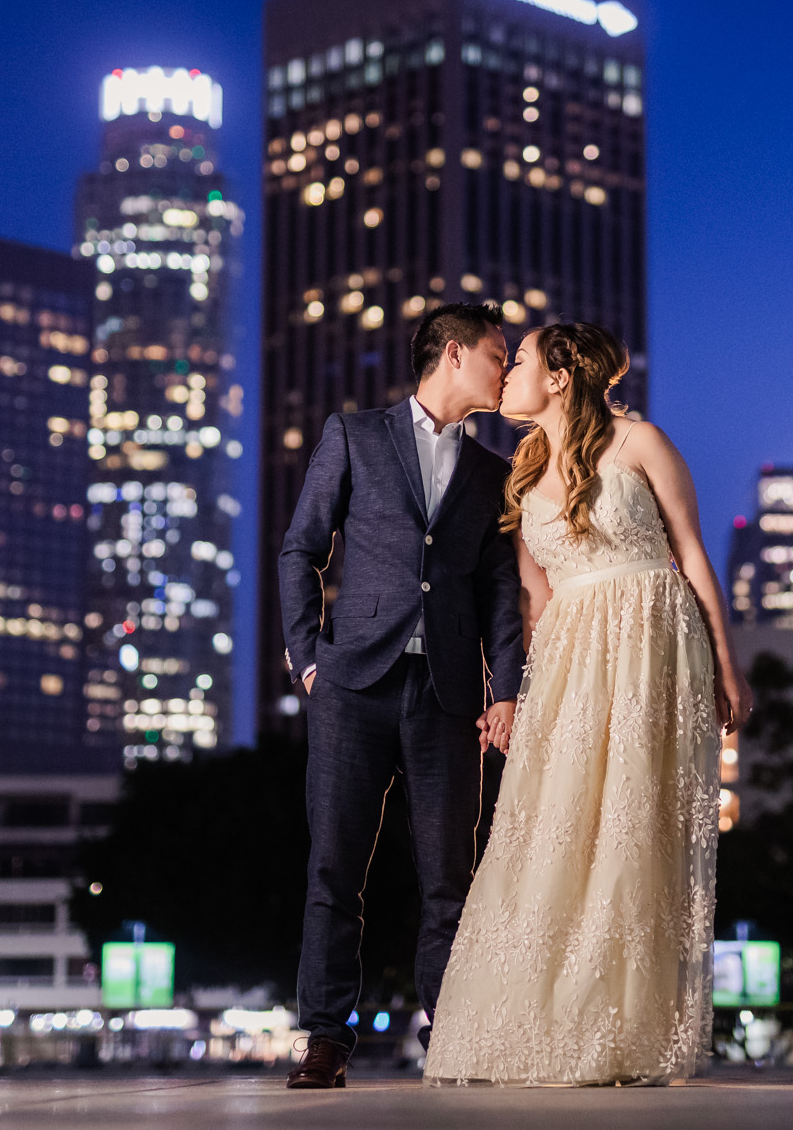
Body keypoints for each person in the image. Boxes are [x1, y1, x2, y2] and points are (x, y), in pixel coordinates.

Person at [422, 321, 754, 1087]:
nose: (505, 376)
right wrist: (516, 691)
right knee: (553, 826)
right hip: (571, 655)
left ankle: (621, 1031)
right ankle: (536, 1021)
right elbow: (532, 595)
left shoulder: (641, 443)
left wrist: (726, 668)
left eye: (522, 362)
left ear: (563, 375)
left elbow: (693, 552)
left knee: (632, 831)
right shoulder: (519, 472)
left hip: (652, 644)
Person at [276, 302, 528, 1090]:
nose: (504, 367)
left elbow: (499, 591)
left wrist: (508, 688)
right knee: (334, 868)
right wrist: (308, 657)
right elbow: (300, 549)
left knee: (450, 876)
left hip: (449, 695)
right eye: (497, 353)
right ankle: (325, 1037)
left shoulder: (492, 471)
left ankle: (449, 1036)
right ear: (453, 354)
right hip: (352, 686)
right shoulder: (353, 434)